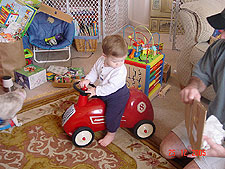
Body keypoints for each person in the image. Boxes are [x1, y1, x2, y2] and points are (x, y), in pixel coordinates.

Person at [160, 9, 225, 168]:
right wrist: (194, 87)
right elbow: (201, 75)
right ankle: (201, 155)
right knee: (167, 149)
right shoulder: (219, 47)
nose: (221, 35)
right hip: (213, 123)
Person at [79, 34, 130, 147]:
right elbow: (94, 72)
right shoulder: (100, 61)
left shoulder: (120, 71)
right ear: (104, 56)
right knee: (90, 100)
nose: (119, 64)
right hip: (103, 90)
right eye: (115, 61)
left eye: (122, 60)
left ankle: (111, 133)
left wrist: (96, 90)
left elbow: (111, 87)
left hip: (117, 95)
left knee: (112, 115)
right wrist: (88, 80)